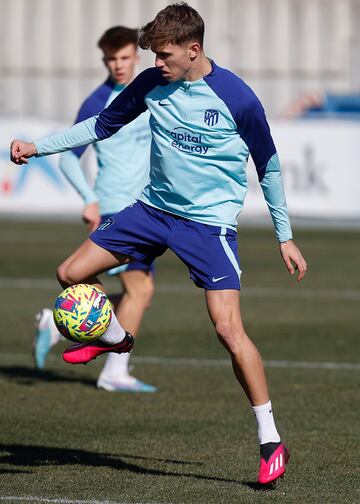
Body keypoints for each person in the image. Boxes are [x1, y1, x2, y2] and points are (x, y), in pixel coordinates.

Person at [11, 2, 307, 485]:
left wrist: (285, 236)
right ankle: (115, 338)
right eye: (153, 54)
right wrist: (38, 146)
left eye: (164, 55)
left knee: (229, 330)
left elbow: (269, 167)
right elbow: (100, 127)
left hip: (208, 227)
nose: (156, 63)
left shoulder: (239, 98)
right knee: (69, 274)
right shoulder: (152, 83)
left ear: (194, 50)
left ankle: (270, 439)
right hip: (151, 211)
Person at [33, 26, 157, 393]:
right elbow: (70, 159)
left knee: (135, 293)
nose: (118, 66)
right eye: (110, 60)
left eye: (123, 58)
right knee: (139, 292)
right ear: (104, 60)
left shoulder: (149, 92)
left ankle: (55, 324)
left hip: (145, 208)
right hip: (115, 210)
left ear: (136, 55)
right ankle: (114, 372)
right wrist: (88, 197)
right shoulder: (97, 101)